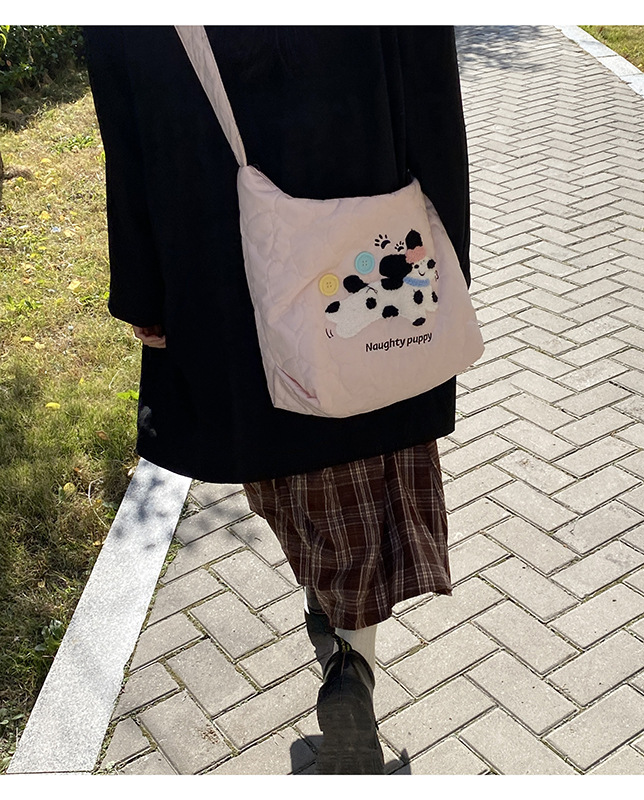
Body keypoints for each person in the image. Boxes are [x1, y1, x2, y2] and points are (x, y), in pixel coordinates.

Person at [84, 25, 471, 775]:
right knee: (366, 467)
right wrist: (449, 248)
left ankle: (331, 637)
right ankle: (351, 670)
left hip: (215, 248)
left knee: (286, 468)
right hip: (372, 252)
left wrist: (142, 289)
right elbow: (431, 94)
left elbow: (123, 128)